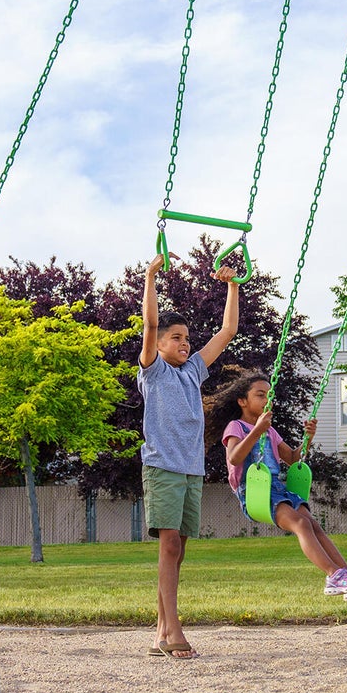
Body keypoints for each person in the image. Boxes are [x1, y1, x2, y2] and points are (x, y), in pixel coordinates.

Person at [138, 250, 239, 659]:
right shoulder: (153, 371)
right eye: (175, 338)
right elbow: (149, 323)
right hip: (162, 466)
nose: (184, 343)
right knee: (169, 547)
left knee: (179, 550)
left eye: (186, 339)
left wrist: (232, 285)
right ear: (160, 344)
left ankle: (161, 631)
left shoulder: (193, 371)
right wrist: (150, 277)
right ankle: (173, 630)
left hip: (190, 468)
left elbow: (228, 330)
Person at [208, 370, 347, 599]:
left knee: (313, 525)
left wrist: (308, 439)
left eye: (270, 395)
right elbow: (235, 458)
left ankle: (346, 576)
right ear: (242, 401)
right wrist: (257, 430)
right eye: (260, 395)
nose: (267, 400)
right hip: (254, 490)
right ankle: (333, 574)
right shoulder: (236, 427)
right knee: (300, 523)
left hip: (276, 487)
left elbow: (293, 459)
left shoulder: (271, 431)